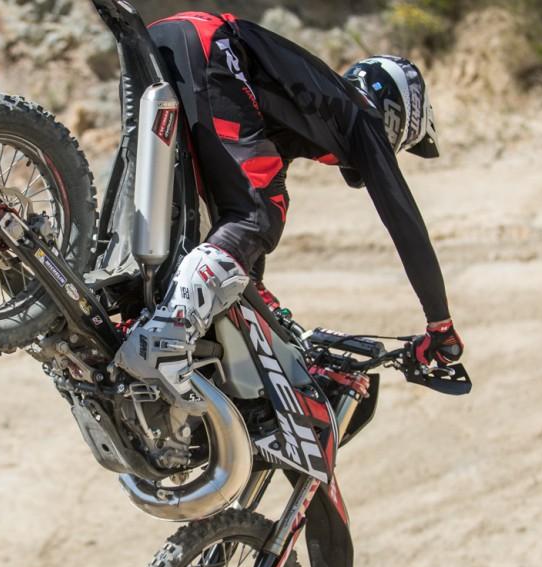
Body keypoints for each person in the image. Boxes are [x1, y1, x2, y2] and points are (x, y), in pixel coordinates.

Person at [116, 11, 463, 407]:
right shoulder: (362, 116)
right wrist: (440, 324)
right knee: (258, 214)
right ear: (396, 115)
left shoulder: (304, 113)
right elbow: (404, 221)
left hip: (165, 39)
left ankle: (110, 317)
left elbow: (239, 212)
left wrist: (255, 286)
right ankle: (168, 336)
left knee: (191, 216)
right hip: (210, 46)